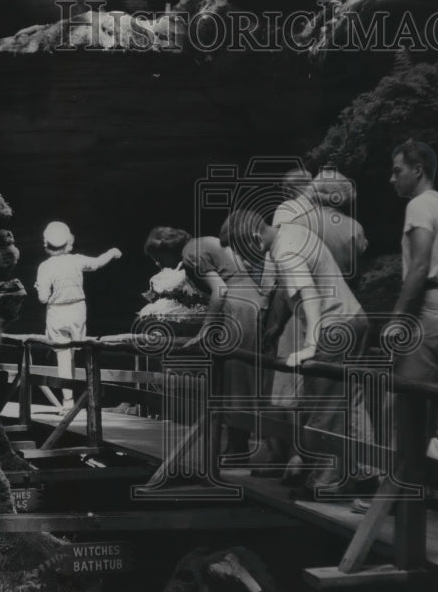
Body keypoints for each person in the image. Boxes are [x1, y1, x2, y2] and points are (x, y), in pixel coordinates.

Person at [222, 208, 375, 498]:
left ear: (254, 237)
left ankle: (324, 483)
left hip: (332, 327)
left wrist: (310, 345)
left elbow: (310, 297)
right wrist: (278, 326)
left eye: (242, 251)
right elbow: (285, 290)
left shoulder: (285, 252)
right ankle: (366, 474)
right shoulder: (288, 233)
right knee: (351, 404)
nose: (243, 259)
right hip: (355, 318)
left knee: (324, 407)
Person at [385, 139, 438, 511]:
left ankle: (400, 494)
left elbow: (419, 266)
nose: (392, 179)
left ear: (418, 170)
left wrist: (399, 317)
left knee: (407, 400)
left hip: (430, 306)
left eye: (397, 170)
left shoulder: (420, 204)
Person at [144, 226, 267, 458]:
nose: (159, 265)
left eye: (158, 259)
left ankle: (238, 446)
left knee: (235, 376)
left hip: (238, 307)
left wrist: (206, 328)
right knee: (242, 375)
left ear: (168, 251)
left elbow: (219, 289)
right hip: (253, 300)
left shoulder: (191, 253)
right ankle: (242, 442)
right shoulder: (204, 242)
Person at [35, 221, 121, 410]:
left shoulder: (45, 267)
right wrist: (112, 252)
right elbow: (97, 264)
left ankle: (68, 402)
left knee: (64, 357)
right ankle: (90, 398)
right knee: (79, 352)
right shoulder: (76, 260)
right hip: (77, 311)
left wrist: (39, 289)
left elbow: (43, 299)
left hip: (57, 312)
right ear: (69, 242)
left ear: (46, 244)